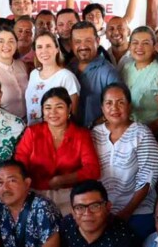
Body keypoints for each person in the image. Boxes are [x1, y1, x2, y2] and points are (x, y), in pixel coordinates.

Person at [15, 87, 99, 215]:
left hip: (71, 196)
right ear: (42, 110)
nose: (53, 112)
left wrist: (63, 180)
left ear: (69, 108)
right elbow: (19, 166)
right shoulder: (32, 132)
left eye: (59, 107)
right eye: (48, 107)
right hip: (35, 195)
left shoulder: (81, 135)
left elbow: (93, 170)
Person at [92, 83, 158, 238]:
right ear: (102, 108)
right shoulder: (94, 134)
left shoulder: (142, 134)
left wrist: (126, 213)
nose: (114, 108)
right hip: (104, 213)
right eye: (109, 103)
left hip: (137, 211)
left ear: (129, 106)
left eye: (120, 102)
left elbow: (147, 179)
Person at [121, 26, 158, 135]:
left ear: (154, 47)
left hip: (149, 135)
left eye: (146, 43)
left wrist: (144, 131)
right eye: (135, 43)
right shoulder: (126, 68)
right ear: (129, 46)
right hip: (125, 132)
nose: (139, 47)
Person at [67, 21, 120, 127]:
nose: (83, 46)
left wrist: (94, 125)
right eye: (77, 41)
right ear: (71, 44)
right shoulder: (69, 67)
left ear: (97, 41)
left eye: (88, 41)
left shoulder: (107, 71)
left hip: (97, 137)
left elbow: (119, 107)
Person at [25, 33, 80, 126]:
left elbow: (73, 115)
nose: (44, 51)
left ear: (57, 49)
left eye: (48, 46)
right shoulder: (33, 74)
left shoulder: (67, 77)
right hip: (33, 133)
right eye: (39, 47)